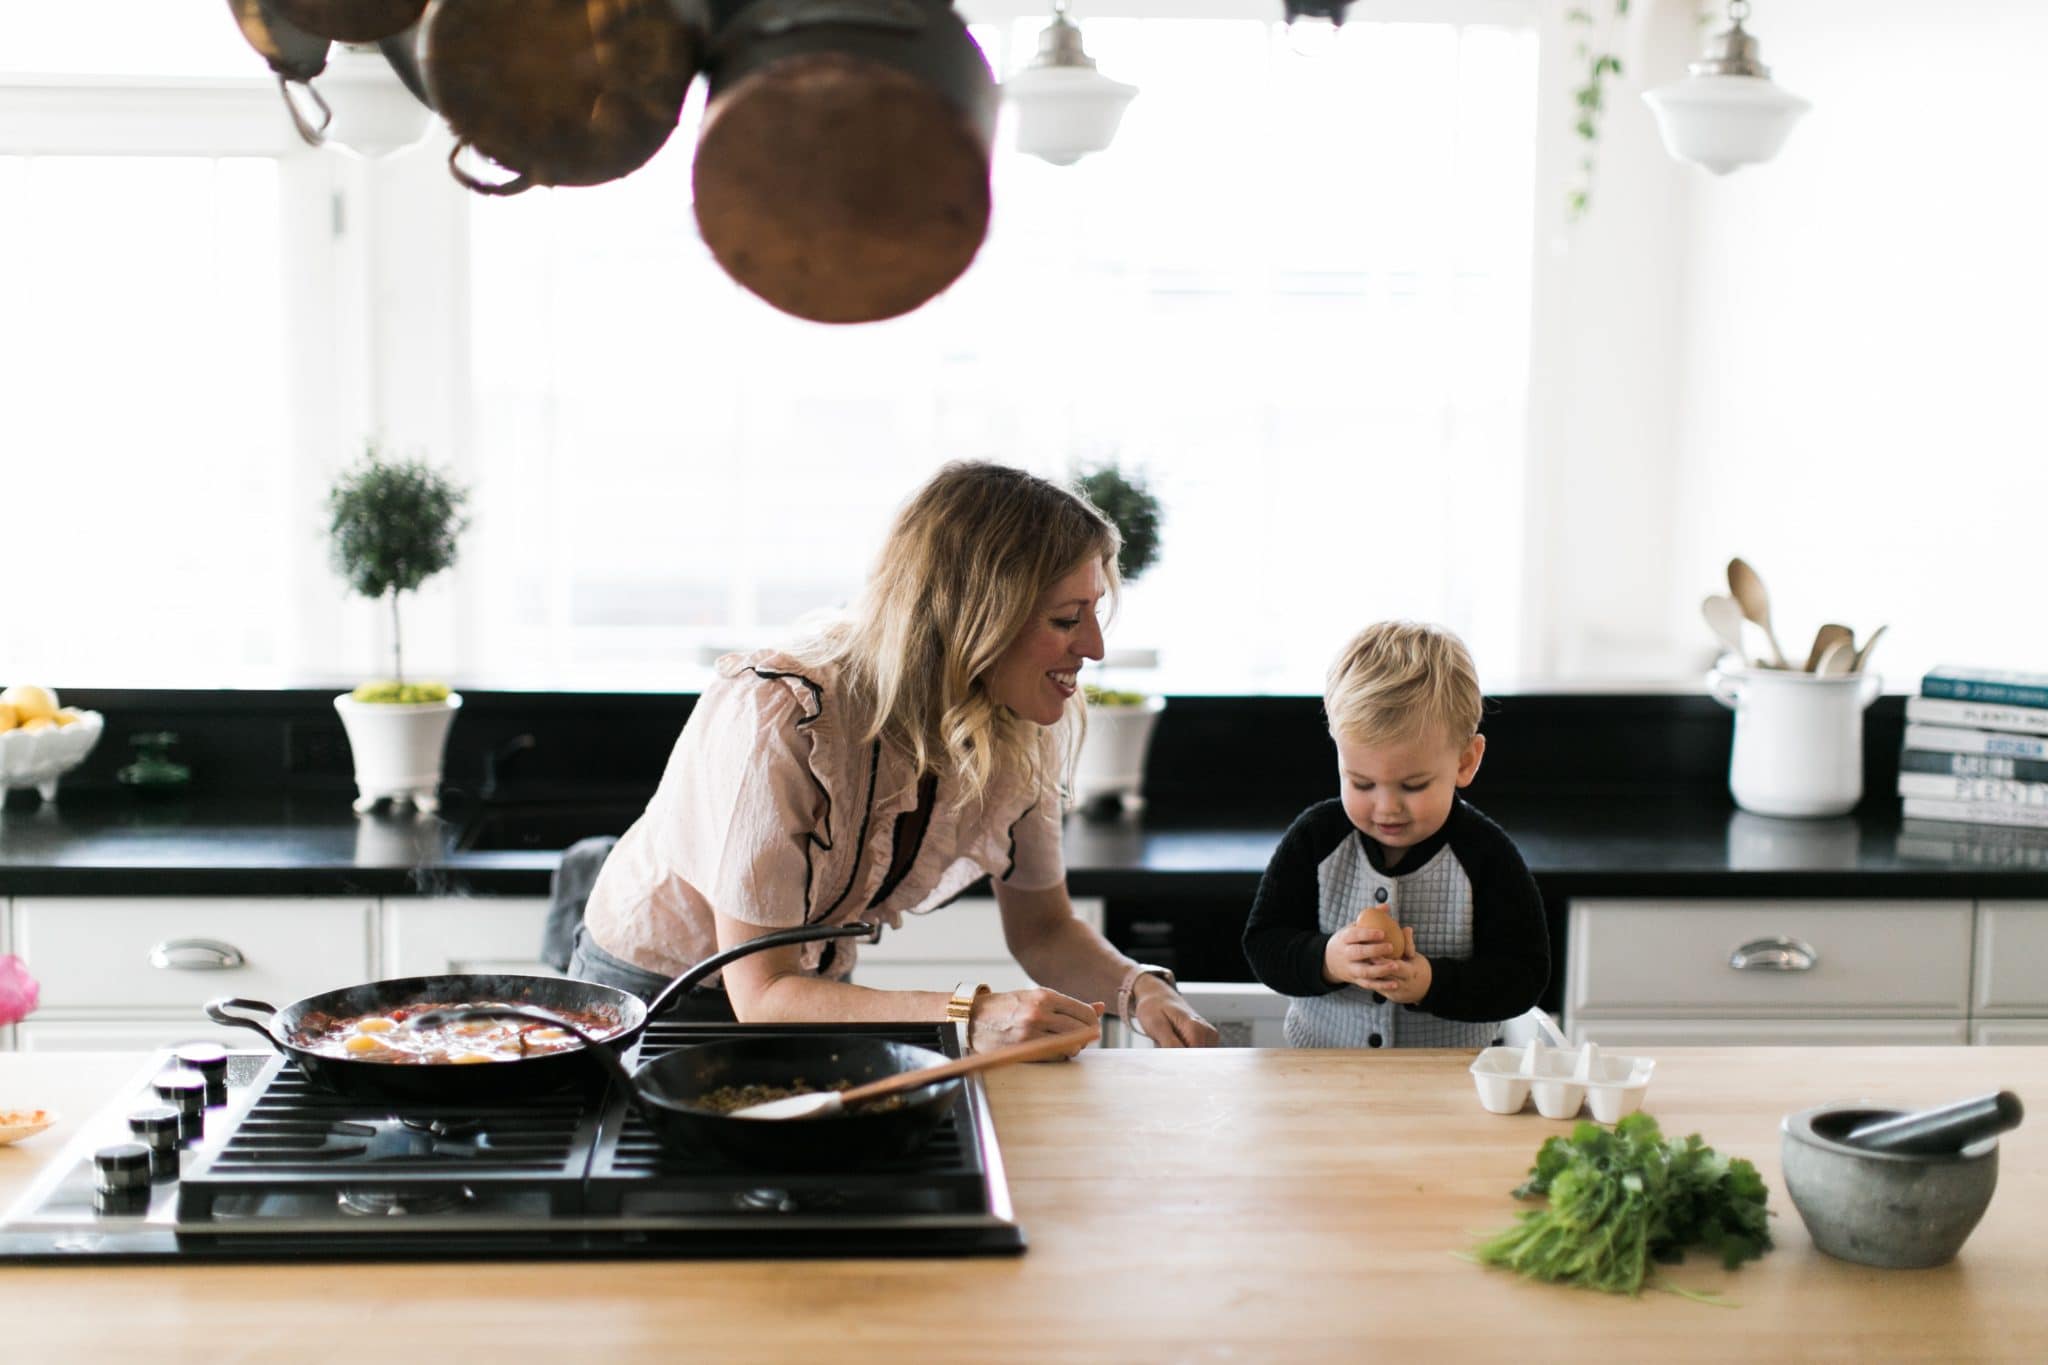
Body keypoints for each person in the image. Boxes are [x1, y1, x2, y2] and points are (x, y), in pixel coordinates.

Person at [572, 461, 1219, 1052]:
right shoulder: (782, 716)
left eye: (1095, 612)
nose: (1096, 646)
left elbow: (1044, 929)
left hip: (807, 993)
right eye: (1066, 618)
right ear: (974, 615)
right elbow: (761, 993)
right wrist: (975, 1011)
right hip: (657, 993)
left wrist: (1139, 989)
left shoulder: (1018, 719)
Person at [1241, 621, 1548, 1048]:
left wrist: (1430, 983)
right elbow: (1264, 945)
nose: (1386, 807)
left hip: (1450, 1085)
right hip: (1323, 1077)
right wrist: (1329, 960)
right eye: (1361, 783)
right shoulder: (1316, 838)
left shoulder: (1486, 856)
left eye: (1413, 785)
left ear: (1465, 761)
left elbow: (1523, 977)